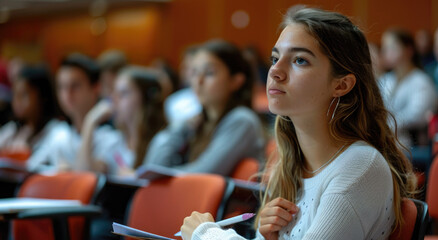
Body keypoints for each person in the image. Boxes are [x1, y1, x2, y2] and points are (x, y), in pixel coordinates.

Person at [180, 7, 417, 240]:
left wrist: (206, 234)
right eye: (275, 58)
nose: (275, 71)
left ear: (341, 85)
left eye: (300, 60)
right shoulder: (289, 165)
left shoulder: (360, 166)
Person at [144, 40, 265, 176]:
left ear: (236, 81)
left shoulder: (242, 120)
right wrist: (179, 129)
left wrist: (159, 176)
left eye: (209, 73)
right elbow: (153, 166)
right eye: (194, 73)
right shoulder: (196, 124)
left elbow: (202, 174)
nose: (198, 81)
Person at [27, 53, 121, 172]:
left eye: (75, 86)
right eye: (62, 87)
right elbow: (30, 168)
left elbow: (86, 174)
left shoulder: (111, 138)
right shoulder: (59, 133)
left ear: (96, 88)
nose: (67, 94)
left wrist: (90, 122)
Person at [76, 66, 167, 175]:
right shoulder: (115, 142)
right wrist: (90, 121)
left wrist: (133, 177)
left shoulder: (162, 141)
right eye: (114, 93)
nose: (113, 100)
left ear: (145, 99)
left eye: (123, 93)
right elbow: (83, 173)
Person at [379, 28, 437, 147]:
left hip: (411, 143)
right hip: (386, 138)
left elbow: (417, 116)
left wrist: (387, 124)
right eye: (385, 48)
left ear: (409, 50)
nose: (388, 53)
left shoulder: (421, 81)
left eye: (393, 48)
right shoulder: (386, 79)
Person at [0, 65, 59, 160]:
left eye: (23, 95)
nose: (17, 101)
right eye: (15, 94)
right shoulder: (13, 129)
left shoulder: (56, 131)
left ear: (43, 97)